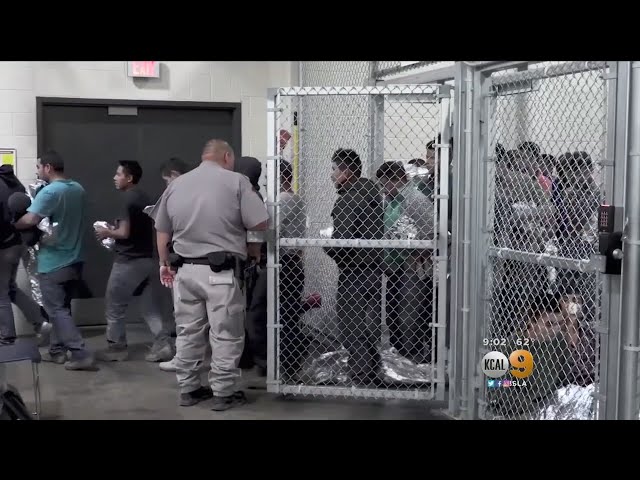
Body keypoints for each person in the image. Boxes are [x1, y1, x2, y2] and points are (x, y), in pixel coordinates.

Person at [151, 139, 268, 411]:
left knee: (188, 332)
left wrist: (164, 263)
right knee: (225, 333)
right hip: (221, 274)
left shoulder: (177, 184)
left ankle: (189, 389)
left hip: (184, 272)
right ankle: (224, 392)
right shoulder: (237, 181)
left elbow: (162, 229)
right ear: (227, 157)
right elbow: (261, 222)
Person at [14, 150, 95, 370]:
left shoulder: (50, 191)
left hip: (54, 261)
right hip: (75, 259)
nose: (37, 171)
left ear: (48, 167)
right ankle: (57, 351)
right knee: (62, 308)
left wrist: (13, 224)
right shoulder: (78, 189)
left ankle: (80, 353)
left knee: (56, 311)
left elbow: (31, 219)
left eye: (38, 167)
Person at [94, 161, 173, 363]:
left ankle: (116, 348)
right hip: (147, 260)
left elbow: (124, 232)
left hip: (128, 262)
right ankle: (163, 344)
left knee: (114, 306)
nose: (115, 177)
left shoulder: (126, 199)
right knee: (148, 307)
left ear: (129, 178)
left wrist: (106, 232)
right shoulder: (143, 197)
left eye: (118, 174)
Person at [324, 148, 384, 385]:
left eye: (334, 169)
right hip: (372, 268)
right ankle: (371, 367)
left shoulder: (348, 199)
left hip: (354, 271)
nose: (331, 175)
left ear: (347, 172)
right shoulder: (371, 193)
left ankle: (361, 373)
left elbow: (343, 240)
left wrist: (327, 245)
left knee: (350, 324)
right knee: (365, 322)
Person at [376, 161, 435, 363]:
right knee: (394, 313)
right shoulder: (392, 200)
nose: (383, 189)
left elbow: (430, 232)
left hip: (411, 268)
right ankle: (399, 356)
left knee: (408, 316)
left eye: (385, 184)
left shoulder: (415, 200)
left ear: (396, 180)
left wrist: (416, 253)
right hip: (395, 267)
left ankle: (410, 359)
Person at [0, 165, 48, 344]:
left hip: (5, 246)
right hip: (18, 243)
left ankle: (7, 337)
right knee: (10, 288)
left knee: (1, 293)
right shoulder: (14, 182)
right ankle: (40, 321)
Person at [156, 157, 193, 372]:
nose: (167, 185)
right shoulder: (201, 194)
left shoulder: (173, 197)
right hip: (208, 264)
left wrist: (164, 262)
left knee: (183, 314)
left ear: (174, 176)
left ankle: (184, 360)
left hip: (181, 262)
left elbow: (163, 232)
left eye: (166, 180)